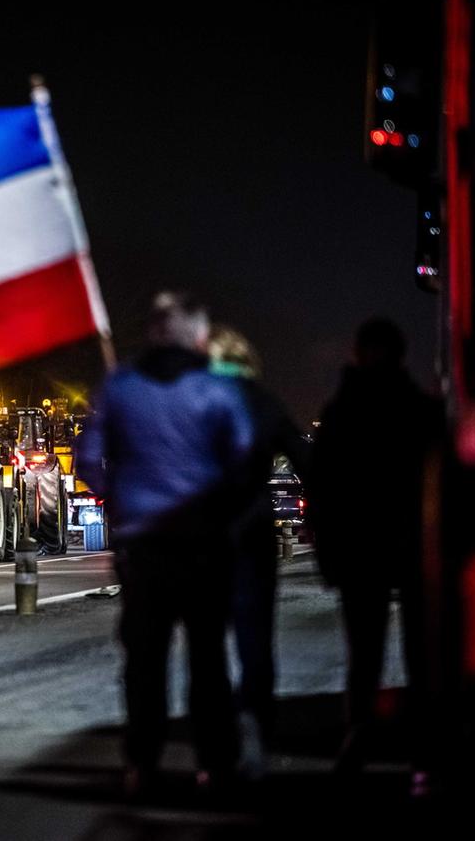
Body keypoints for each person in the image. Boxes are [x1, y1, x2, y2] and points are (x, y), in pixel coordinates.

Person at [77, 292, 253, 797]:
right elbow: (244, 462)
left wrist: (122, 498)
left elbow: (88, 461)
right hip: (203, 545)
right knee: (208, 658)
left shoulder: (119, 388)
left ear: (152, 334)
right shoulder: (219, 392)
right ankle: (215, 764)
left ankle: (142, 763)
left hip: (142, 548)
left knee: (144, 661)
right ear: (200, 338)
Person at [306, 317, 441, 794]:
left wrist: (326, 552)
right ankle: (423, 756)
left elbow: (319, 491)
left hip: (359, 551)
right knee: (423, 657)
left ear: (358, 353)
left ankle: (358, 742)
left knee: (363, 655)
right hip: (413, 548)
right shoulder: (423, 411)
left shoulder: (341, 413)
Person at [208, 325, 311, 781]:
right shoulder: (265, 403)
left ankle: (213, 749)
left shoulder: (195, 404)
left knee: (206, 645)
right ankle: (257, 729)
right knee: (255, 643)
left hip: (202, 538)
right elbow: (308, 462)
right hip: (252, 538)